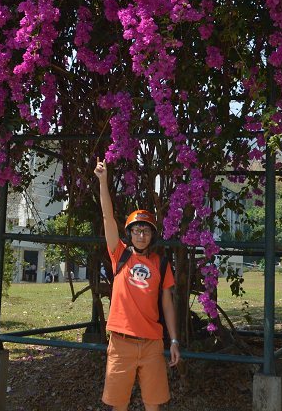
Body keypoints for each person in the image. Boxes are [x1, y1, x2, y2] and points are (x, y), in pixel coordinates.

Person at [95, 157, 180, 411]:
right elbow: (107, 216)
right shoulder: (119, 254)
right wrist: (102, 181)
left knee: (153, 404)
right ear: (129, 233)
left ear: (152, 235)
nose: (141, 235)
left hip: (153, 343)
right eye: (136, 230)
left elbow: (167, 304)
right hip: (121, 342)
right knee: (118, 405)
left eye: (146, 231)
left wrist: (174, 340)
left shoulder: (161, 263)